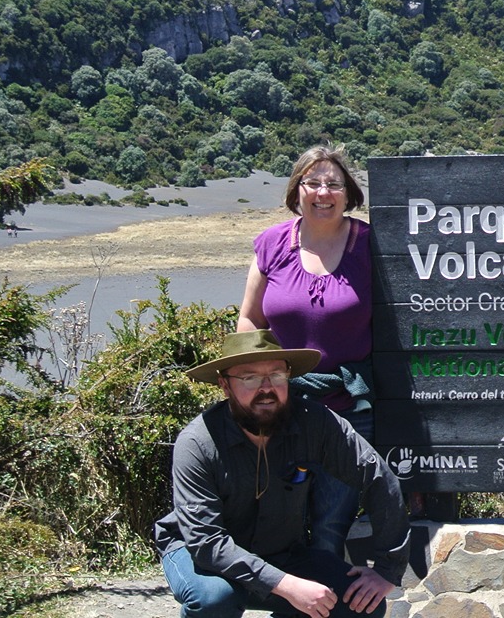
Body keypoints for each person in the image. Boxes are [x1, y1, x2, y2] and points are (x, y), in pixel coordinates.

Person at [154, 330, 409, 618]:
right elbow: (206, 542)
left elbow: (378, 479)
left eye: (276, 375)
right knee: (214, 600)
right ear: (225, 385)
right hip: (200, 555)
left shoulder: (315, 422)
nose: (267, 388)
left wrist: (388, 570)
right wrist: (286, 585)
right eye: (249, 377)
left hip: (281, 551)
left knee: (362, 604)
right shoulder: (198, 442)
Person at [237, 145, 376, 557]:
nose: (322, 192)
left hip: (351, 409)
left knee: (332, 525)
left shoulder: (370, 245)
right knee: (280, 520)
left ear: (348, 194)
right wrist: (250, 383)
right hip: (283, 405)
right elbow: (249, 320)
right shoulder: (271, 244)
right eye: (311, 182)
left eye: (333, 183)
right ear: (296, 191)